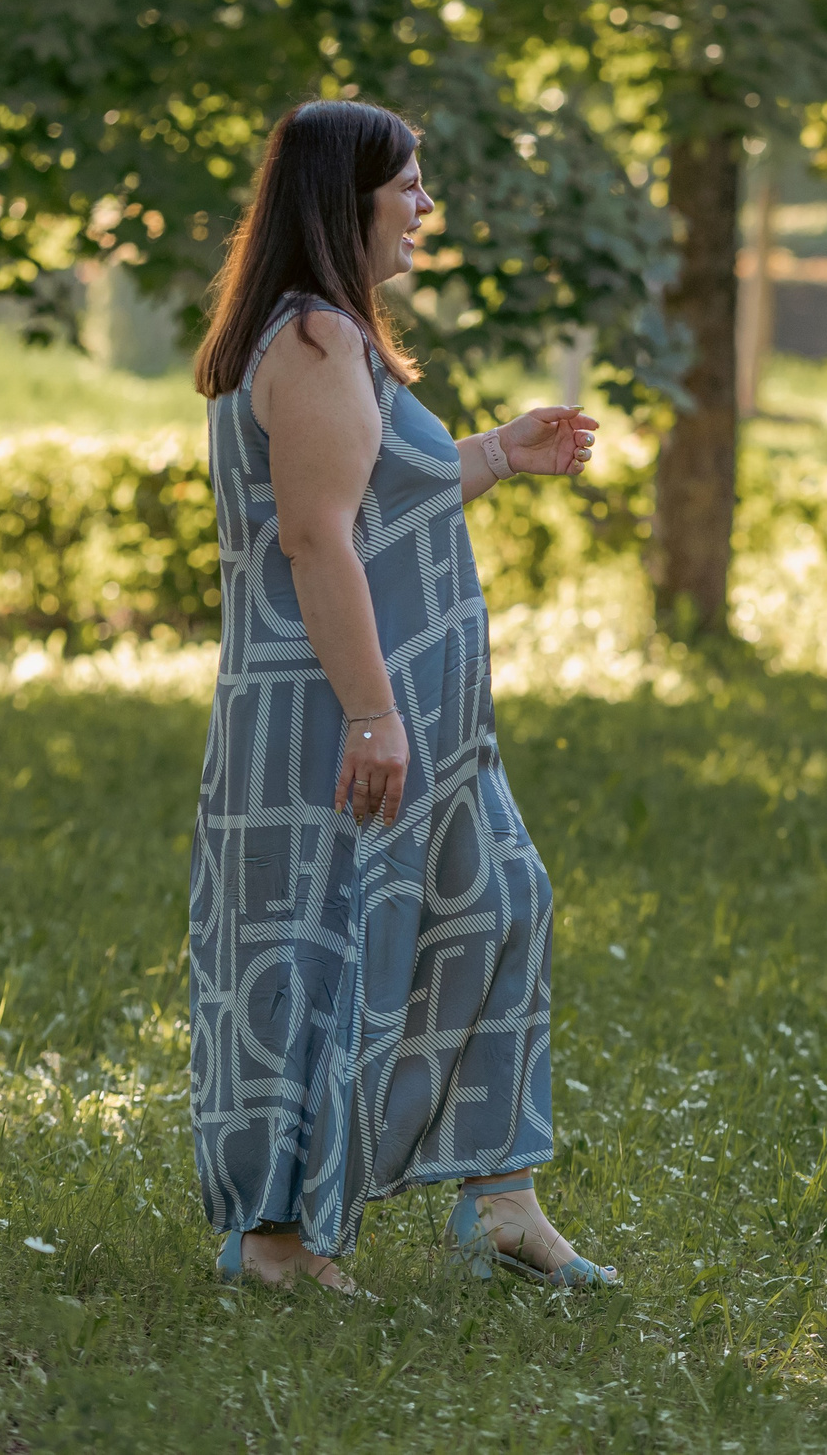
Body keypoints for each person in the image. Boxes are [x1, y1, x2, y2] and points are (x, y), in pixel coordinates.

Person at [187, 98, 614, 1294]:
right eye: (408, 184)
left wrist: (496, 452)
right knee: (319, 954)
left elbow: (373, 501)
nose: (425, 205)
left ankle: (500, 1200)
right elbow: (319, 544)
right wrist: (375, 716)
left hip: (418, 722)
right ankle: (276, 1241)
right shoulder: (315, 341)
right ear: (347, 197)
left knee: (501, 904)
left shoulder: (336, 340)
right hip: (334, 713)